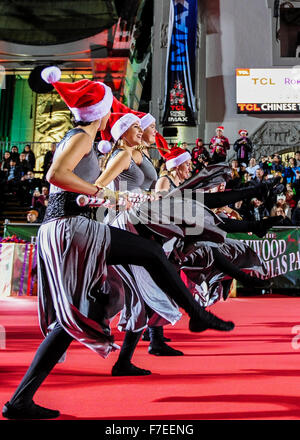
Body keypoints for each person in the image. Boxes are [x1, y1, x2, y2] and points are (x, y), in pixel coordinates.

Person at [2, 67, 233, 420]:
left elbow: (72, 189)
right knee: (153, 254)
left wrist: (109, 198)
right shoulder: (81, 136)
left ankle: (19, 401)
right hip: (69, 228)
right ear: (100, 112)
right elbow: (55, 177)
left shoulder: (83, 139)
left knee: (78, 315)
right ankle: (197, 314)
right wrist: (101, 191)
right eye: (110, 107)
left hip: (65, 225)